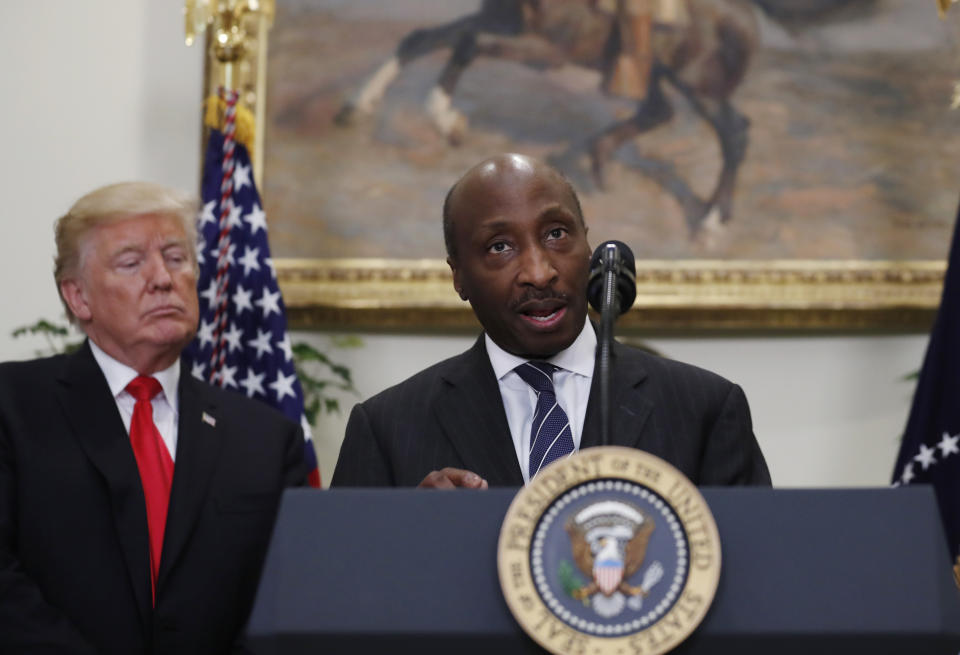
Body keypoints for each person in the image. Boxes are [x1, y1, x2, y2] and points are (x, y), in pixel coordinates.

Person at [331, 153, 770, 489]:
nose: (539, 272)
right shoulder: (387, 429)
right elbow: (340, 595)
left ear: (589, 245)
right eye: (500, 247)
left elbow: (757, 581)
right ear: (459, 276)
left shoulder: (704, 409)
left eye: (556, 234)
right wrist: (413, 536)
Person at [0, 182, 307, 655]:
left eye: (175, 257)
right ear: (78, 297)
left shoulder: (265, 439)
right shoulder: (13, 406)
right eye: (131, 262)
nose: (162, 278)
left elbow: (287, 597)